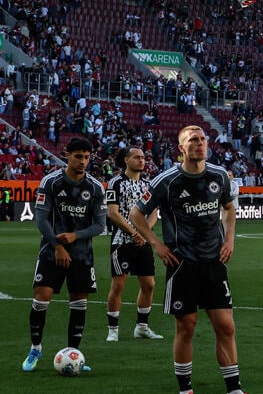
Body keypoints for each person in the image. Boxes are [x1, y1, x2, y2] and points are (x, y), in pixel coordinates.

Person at [130, 125, 263, 394]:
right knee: (187, 327)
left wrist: (229, 239)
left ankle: (235, 393)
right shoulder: (167, 181)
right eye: (193, 140)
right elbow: (136, 214)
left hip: (214, 262)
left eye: (203, 139)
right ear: (182, 147)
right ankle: (185, 393)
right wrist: (156, 244)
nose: (200, 144)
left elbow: (229, 208)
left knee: (226, 326)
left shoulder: (218, 176)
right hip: (182, 264)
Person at [22, 136, 106, 372]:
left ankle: (74, 353)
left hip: (81, 255)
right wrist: (57, 245)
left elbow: (99, 225)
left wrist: (74, 236)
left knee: (79, 304)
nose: (83, 161)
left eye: (87, 157)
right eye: (78, 156)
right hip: (51, 252)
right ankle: (35, 349)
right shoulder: (50, 182)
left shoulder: (95, 187)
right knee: (41, 299)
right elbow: (41, 218)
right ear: (67, 155)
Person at [104, 147, 163, 342]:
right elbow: (112, 213)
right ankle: (113, 330)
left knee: (149, 284)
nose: (141, 160)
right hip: (122, 241)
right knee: (119, 284)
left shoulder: (148, 184)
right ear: (126, 160)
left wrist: (145, 233)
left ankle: (142, 327)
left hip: (143, 241)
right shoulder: (115, 183)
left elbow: (154, 211)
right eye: (136, 157)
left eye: (143, 157)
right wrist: (134, 232)